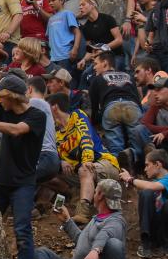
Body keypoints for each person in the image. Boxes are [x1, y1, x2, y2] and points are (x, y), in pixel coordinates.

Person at [0, 74, 47, 259]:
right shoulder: (3, 108)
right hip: (1, 181)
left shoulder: (37, 116)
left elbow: (17, 130)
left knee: (22, 229)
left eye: (1, 96)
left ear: (12, 97)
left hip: (23, 183)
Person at [46, 92, 120, 223]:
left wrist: (87, 161)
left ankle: (83, 212)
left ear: (54, 107)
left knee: (84, 169)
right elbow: (52, 153)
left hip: (104, 163)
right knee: (45, 172)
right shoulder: (55, 132)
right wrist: (61, 161)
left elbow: (86, 138)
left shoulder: (77, 115)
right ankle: (74, 193)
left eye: (47, 108)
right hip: (80, 175)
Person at [120, 149, 168, 258]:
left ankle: (166, 244)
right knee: (146, 193)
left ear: (158, 164)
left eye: (147, 165)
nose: (145, 169)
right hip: (155, 228)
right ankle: (146, 243)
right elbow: (146, 195)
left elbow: (152, 187)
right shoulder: (152, 184)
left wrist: (130, 179)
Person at [88, 51, 141, 161]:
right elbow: (137, 98)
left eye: (96, 64)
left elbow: (94, 106)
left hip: (111, 108)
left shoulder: (97, 79)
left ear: (105, 63)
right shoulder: (128, 76)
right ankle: (135, 162)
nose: (94, 68)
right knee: (137, 144)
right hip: (132, 106)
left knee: (116, 148)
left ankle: (119, 171)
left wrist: (95, 123)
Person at [76, 0, 123, 88]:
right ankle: (85, 100)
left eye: (83, 4)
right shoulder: (85, 28)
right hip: (100, 60)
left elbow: (119, 40)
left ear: (92, 4)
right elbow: (90, 50)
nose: (80, 7)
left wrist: (103, 48)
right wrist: (84, 60)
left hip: (115, 56)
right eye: (79, 5)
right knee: (85, 74)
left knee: (110, 76)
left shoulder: (107, 19)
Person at [26, 77, 60, 182]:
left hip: (44, 155)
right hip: (50, 157)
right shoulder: (44, 105)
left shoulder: (35, 102)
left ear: (30, 89)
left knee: (21, 182)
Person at [46, 0, 81, 77]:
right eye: (49, 1)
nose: (50, 3)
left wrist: (75, 49)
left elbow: (77, 33)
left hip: (66, 55)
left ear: (61, 0)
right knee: (55, 81)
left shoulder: (67, 14)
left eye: (53, 0)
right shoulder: (50, 19)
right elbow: (49, 37)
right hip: (53, 57)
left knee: (66, 81)